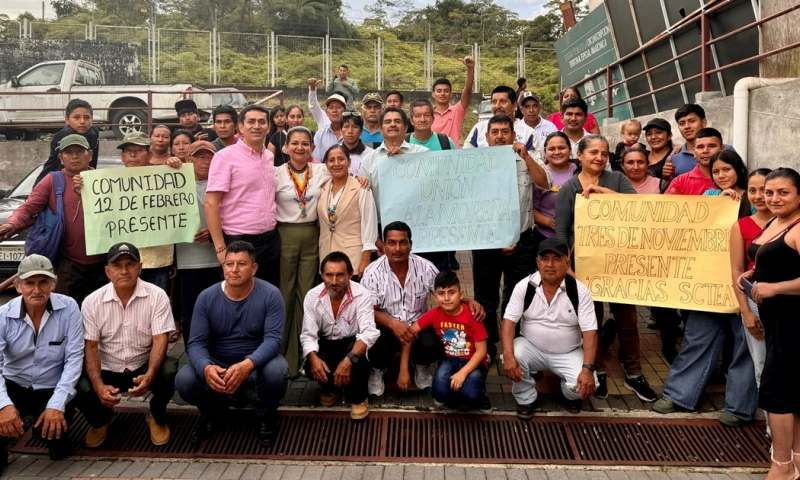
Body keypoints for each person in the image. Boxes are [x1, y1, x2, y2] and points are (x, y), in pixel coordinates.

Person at [555, 135, 656, 402]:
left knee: (628, 319)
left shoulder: (617, 180)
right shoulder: (569, 188)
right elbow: (562, 230)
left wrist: (605, 194)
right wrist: (567, 266)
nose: (599, 157)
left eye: (604, 153)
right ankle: (597, 369)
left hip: (621, 262)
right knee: (591, 321)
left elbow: (636, 208)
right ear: (580, 155)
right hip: (585, 265)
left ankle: (633, 372)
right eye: (593, 152)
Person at [176, 240, 289, 447]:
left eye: (242, 264)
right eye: (229, 264)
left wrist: (248, 364)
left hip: (255, 364)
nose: (234, 270)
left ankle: (265, 414)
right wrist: (206, 367)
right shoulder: (206, 297)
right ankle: (212, 412)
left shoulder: (271, 295)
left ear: (254, 268)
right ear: (223, 266)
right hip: (218, 363)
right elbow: (195, 343)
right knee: (185, 380)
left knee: (278, 371)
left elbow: (273, 340)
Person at [361, 222, 485, 396]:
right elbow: (367, 311)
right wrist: (392, 323)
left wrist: (468, 300)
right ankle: (378, 368)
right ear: (384, 245)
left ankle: (421, 364)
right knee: (374, 341)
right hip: (387, 327)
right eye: (392, 243)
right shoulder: (372, 272)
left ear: (411, 244)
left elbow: (444, 291)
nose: (397, 248)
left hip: (418, 326)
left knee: (433, 342)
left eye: (403, 242)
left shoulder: (425, 267)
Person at [76, 242, 178, 448]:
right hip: (107, 367)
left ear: (140, 268)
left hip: (142, 365)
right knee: (79, 384)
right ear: (107, 271)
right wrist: (98, 386)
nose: (124, 271)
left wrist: (149, 374)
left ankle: (156, 416)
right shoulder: (92, 302)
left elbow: (160, 339)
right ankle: (101, 420)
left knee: (168, 370)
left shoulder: (157, 296)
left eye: (130, 264)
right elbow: (91, 347)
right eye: (117, 266)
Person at [471, 115, 551, 361]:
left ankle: (512, 343)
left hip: (522, 241)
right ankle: (488, 345)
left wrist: (526, 157)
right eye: (494, 132)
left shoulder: (526, 157)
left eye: (505, 131)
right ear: (486, 137)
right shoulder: (473, 162)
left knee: (516, 295)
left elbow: (545, 183)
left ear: (513, 135)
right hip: (486, 242)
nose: (499, 136)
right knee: (485, 297)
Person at [738, 168, 800, 478]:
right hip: (776, 320)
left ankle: (782, 466)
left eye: (783, 192)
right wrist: (755, 275)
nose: (773, 198)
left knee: (776, 393)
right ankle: (799, 461)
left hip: (794, 322)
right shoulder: (777, 220)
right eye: (769, 192)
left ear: (799, 196)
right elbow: (775, 258)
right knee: (791, 391)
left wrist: (773, 288)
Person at [0, 134, 105, 306]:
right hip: (67, 264)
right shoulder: (52, 181)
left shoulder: (104, 181)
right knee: (65, 311)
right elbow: (28, 208)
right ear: (61, 158)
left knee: (101, 313)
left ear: (91, 155)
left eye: (80, 151)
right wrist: (11, 224)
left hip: (102, 263)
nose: (75, 156)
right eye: (68, 152)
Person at [0, 255, 83, 467]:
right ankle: (16, 423)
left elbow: (74, 358)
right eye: (29, 283)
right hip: (14, 385)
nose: (37, 290)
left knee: (54, 438)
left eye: (43, 282)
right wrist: (4, 405)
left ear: (53, 283)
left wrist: (56, 405)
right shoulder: (3, 315)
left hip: (50, 386)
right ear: (18, 286)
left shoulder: (69, 308)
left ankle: (34, 423)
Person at [501, 238, 598, 418]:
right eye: (545, 259)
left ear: (567, 263)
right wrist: (507, 355)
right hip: (532, 348)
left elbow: (590, 332)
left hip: (568, 352)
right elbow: (508, 321)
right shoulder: (525, 286)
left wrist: (587, 369)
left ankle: (568, 394)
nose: (550, 264)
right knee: (515, 353)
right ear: (537, 262)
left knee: (585, 385)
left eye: (557, 259)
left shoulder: (579, 291)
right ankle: (525, 399)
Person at [275, 127, 331, 377]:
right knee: (285, 294)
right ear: (285, 147)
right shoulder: (275, 174)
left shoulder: (322, 171)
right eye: (294, 143)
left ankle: (302, 354)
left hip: (312, 236)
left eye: (305, 144)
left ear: (312, 148)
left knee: (307, 295)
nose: (300, 148)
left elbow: (345, 178)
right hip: (284, 235)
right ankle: (281, 355)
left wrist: (361, 179)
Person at [206, 104, 281, 287]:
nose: (257, 126)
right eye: (251, 121)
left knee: (267, 294)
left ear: (268, 127)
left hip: (270, 241)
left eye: (262, 122)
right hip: (238, 242)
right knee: (237, 296)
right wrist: (221, 249)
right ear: (241, 127)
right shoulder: (225, 157)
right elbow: (211, 204)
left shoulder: (268, 158)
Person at [300, 252, 379, 419]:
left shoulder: (362, 294)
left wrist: (348, 360)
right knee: (310, 363)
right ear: (321, 275)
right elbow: (308, 335)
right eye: (329, 275)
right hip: (327, 344)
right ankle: (330, 388)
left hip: (350, 344)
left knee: (358, 354)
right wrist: (313, 358)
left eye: (340, 275)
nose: (334, 281)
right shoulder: (312, 296)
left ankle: (359, 397)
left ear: (350, 274)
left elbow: (368, 332)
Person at [404, 271, 491, 413]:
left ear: (461, 295)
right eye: (441, 293)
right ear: (435, 296)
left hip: (472, 361)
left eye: (451, 292)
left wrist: (462, 373)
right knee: (439, 394)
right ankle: (457, 390)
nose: (446, 298)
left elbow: (482, 351)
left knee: (471, 394)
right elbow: (410, 332)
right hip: (448, 359)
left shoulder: (472, 315)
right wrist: (404, 368)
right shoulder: (434, 314)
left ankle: (480, 393)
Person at [729, 168, 772, 424]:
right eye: (752, 190)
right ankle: (773, 430)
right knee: (761, 368)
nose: (758, 196)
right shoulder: (741, 226)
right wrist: (745, 311)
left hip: (787, 305)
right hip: (755, 306)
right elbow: (736, 272)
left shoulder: (790, 225)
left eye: (764, 190)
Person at [358, 108, 428, 248]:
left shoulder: (422, 153)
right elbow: (364, 202)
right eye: (387, 122)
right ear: (381, 128)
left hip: (418, 226)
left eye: (397, 121)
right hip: (381, 227)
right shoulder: (369, 160)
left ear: (406, 127)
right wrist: (374, 237)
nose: (393, 125)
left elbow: (430, 185)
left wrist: (405, 162)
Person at [176, 141, 222, 343]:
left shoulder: (223, 185)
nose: (205, 161)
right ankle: (192, 354)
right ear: (189, 159)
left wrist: (214, 235)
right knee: (191, 313)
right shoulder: (175, 183)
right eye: (199, 156)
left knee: (217, 313)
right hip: (188, 261)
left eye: (210, 156)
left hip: (217, 259)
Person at [318, 145, 378, 280]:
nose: (336, 164)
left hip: (353, 257)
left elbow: (369, 224)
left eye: (341, 159)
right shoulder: (322, 187)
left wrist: (365, 258)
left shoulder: (361, 188)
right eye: (331, 160)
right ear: (326, 164)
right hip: (326, 256)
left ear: (349, 162)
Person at [35, 99, 100, 184]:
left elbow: (92, 162)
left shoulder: (94, 133)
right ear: (67, 120)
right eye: (76, 117)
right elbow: (63, 166)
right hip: (54, 181)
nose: (82, 121)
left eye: (87, 117)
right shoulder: (65, 135)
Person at [532, 132, 577, 248]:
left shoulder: (581, 170)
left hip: (578, 239)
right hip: (546, 237)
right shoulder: (539, 174)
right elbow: (529, 208)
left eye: (562, 148)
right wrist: (548, 222)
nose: (557, 152)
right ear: (545, 152)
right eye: (552, 149)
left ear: (570, 150)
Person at [464, 86, 536, 151]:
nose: (497, 106)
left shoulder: (528, 132)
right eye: (494, 102)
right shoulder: (479, 128)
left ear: (514, 105)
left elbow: (535, 163)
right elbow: (465, 156)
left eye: (503, 101)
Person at [671, 104, 734, 176]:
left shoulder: (727, 150)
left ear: (704, 122)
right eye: (682, 123)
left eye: (692, 121)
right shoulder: (673, 158)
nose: (687, 126)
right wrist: (666, 177)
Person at [431, 56, 475, 146]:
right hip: (432, 156)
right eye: (439, 91)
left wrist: (470, 68)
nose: (442, 94)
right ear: (433, 94)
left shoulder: (457, 111)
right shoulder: (428, 113)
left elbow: (467, 91)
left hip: (453, 155)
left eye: (446, 91)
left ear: (451, 94)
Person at [665, 128, 724, 196]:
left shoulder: (731, 179)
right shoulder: (679, 182)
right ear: (694, 152)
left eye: (711, 146)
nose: (705, 151)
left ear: (722, 149)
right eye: (700, 147)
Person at [308, 78, 346, 160]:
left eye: (338, 107)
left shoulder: (351, 132)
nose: (335, 111)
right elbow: (316, 160)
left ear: (345, 111)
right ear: (327, 112)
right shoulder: (320, 134)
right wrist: (312, 89)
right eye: (331, 108)